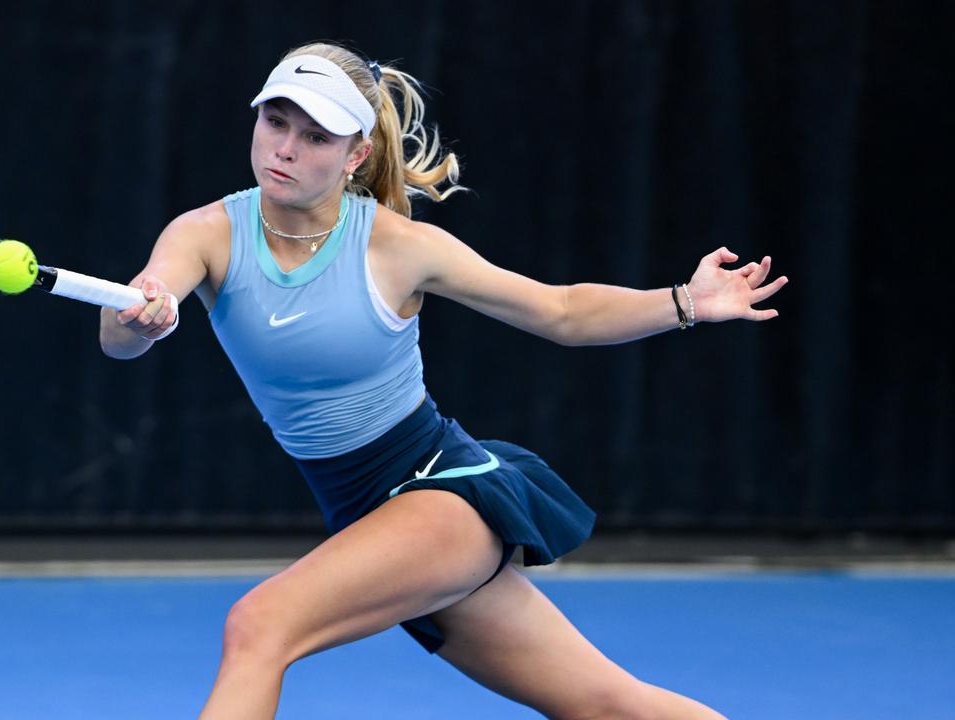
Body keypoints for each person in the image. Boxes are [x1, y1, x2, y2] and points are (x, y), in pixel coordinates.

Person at [99, 41, 786, 720]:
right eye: (274, 122)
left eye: (315, 136)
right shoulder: (204, 233)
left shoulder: (400, 248)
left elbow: (563, 311)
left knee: (259, 625)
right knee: (607, 706)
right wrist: (140, 320)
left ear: (355, 156)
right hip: (365, 516)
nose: (284, 148)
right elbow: (126, 324)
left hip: (437, 493)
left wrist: (688, 302)